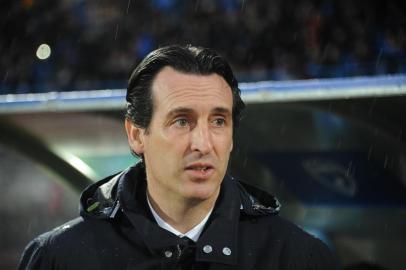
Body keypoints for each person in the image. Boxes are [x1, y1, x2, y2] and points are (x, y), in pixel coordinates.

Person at [18, 45, 336, 269]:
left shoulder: (298, 257)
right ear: (136, 133)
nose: (202, 143)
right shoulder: (59, 258)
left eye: (218, 121)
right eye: (181, 121)